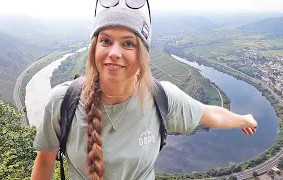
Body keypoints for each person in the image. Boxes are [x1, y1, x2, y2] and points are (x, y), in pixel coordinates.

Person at [31, 0, 258, 180]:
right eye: (106, 41)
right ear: (94, 48)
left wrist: (244, 119)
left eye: (128, 43)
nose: (114, 52)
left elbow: (210, 114)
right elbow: (44, 163)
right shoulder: (63, 101)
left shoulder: (161, 97)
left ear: (143, 54)